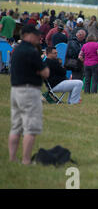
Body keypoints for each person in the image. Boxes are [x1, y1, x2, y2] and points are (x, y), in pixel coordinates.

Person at [9, 25, 49, 165]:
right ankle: (26, 161)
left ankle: (12, 158)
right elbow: (45, 72)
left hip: (15, 90)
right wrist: (39, 71)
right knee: (30, 128)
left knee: (16, 127)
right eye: (35, 35)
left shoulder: (17, 50)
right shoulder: (31, 51)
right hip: (29, 91)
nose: (38, 37)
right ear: (26, 35)